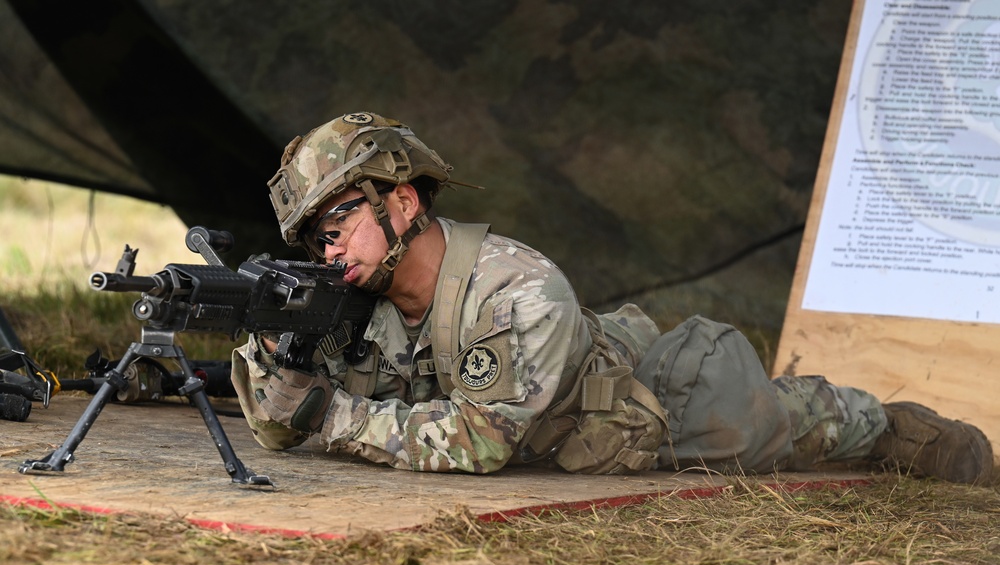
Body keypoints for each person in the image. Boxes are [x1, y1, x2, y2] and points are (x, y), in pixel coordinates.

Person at [231, 111, 994, 484]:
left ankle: (901, 429)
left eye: (337, 223)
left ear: (401, 202)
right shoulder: (358, 302)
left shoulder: (519, 287)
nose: (328, 250)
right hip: (550, 386)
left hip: (644, 410)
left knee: (789, 421)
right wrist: (275, 360)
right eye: (315, 240)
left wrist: (329, 414)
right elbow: (284, 426)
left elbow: (477, 442)